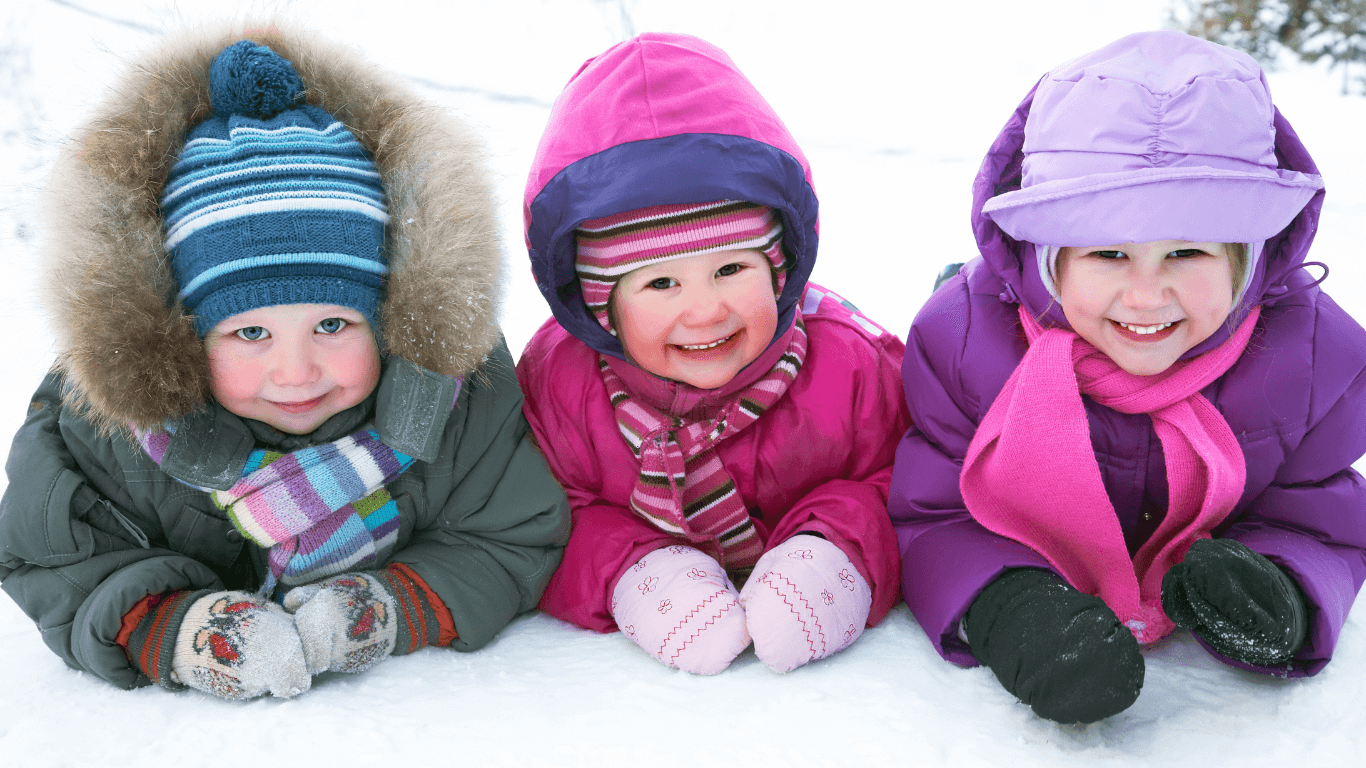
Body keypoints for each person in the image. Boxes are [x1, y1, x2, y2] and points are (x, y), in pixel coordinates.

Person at [0, 25, 569, 700]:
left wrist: (389, 607)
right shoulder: (109, 429)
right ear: (181, 337)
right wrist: (175, 627)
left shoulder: (455, 399)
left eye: (333, 324)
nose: (297, 372)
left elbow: (507, 535)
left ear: (389, 319)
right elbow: (54, 556)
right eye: (249, 333)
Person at [890, 30, 1366, 724]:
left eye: (1187, 252)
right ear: (1048, 255)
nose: (1146, 296)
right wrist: (1009, 607)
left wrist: (1281, 593)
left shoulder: (1313, 357)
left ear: (1249, 255)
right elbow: (934, 511)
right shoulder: (963, 346)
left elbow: (1317, 513)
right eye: (1109, 253)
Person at [517, 33, 909, 674]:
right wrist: (635, 570)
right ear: (598, 306)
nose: (704, 312)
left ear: (781, 269)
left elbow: (909, 480)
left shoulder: (850, 365)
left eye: (730, 269)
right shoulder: (560, 384)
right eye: (661, 283)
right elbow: (542, 513)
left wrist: (836, 544)